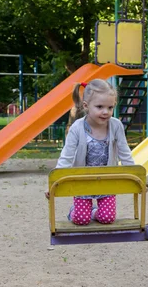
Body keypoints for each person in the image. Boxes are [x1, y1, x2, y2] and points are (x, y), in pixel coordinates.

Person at [45, 79, 134, 225]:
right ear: (86, 105)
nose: (105, 112)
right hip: (82, 179)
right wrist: (54, 183)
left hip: (106, 180)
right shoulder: (77, 128)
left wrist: (136, 178)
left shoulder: (116, 126)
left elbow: (125, 153)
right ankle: (75, 211)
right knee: (81, 219)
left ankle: (93, 211)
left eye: (110, 107)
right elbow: (66, 157)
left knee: (107, 218)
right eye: (99, 107)